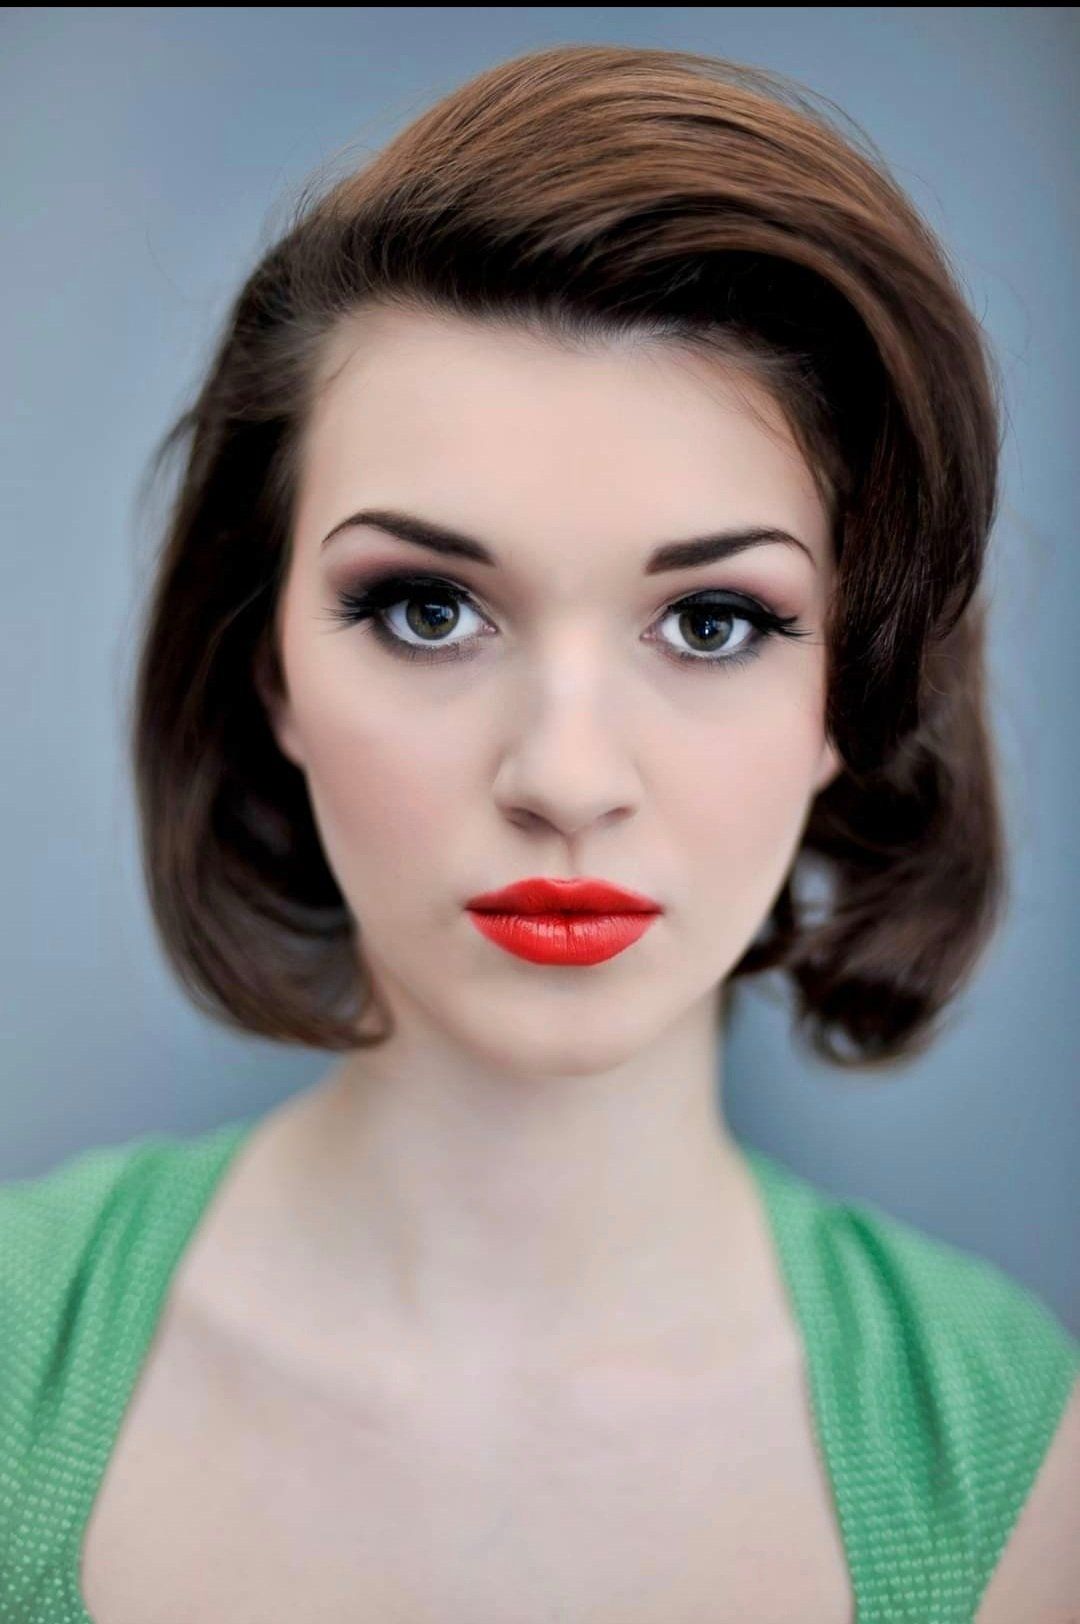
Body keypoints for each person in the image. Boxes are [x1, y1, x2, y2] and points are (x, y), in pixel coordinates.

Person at [2, 42, 1077, 1624]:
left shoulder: (1018, 1467)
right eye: (428, 609)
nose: (566, 778)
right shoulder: (20, 1355)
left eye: (714, 621)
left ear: (853, 686)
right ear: (270, 666)